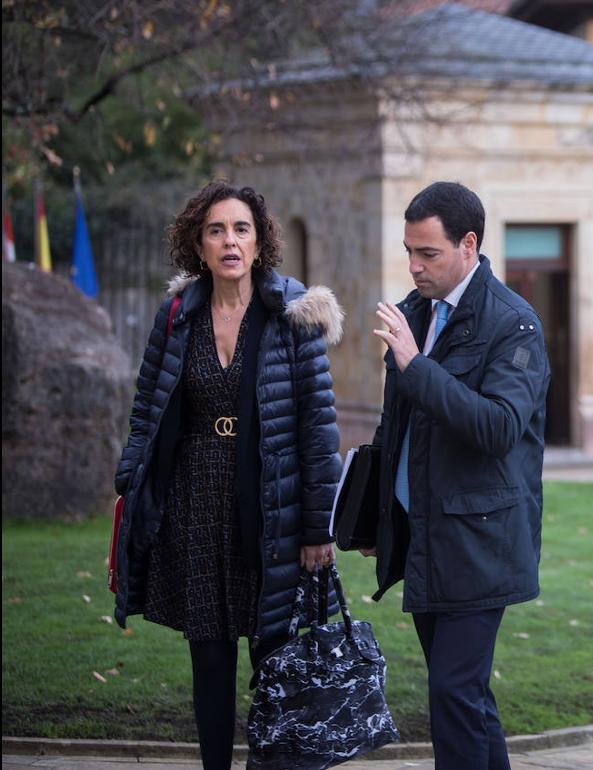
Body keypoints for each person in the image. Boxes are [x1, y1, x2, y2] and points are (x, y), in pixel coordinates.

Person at [112, 181, 344, 768]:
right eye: (216, 230)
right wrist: (128, 489)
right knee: (209, 659)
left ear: (260, 242)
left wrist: (318, 529)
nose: (230, 241)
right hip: (194, 502)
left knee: (275, 660)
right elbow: (147, 408)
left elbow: (319, 431)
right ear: (198, 243)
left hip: (268, 508)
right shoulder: (176, 317)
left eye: (241, 229)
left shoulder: (291, 315)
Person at [361, 181, 550, 770]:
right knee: (466, 697)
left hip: (481, 540)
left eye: (429, 253)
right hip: (424, 535)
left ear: (469, 245)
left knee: (452, 694)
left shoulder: (514, 325)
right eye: (409, 251)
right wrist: (378, 517)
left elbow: (498, 428)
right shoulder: (414, 311)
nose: (414, 266)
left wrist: (415, 365)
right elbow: (398, 431)